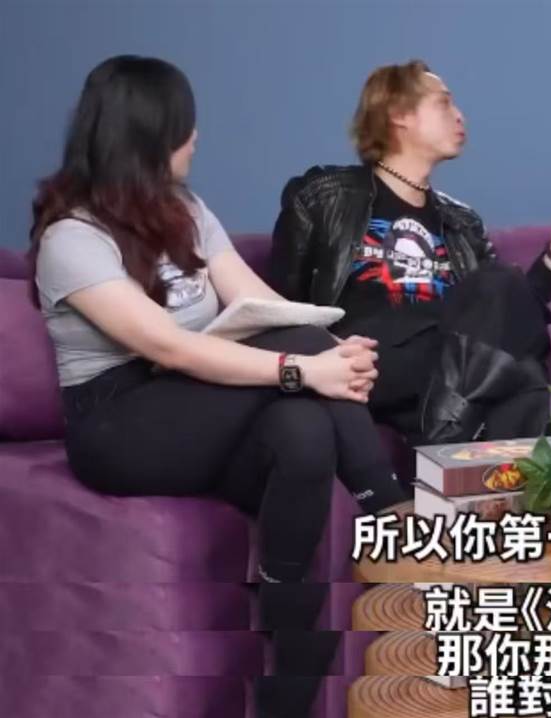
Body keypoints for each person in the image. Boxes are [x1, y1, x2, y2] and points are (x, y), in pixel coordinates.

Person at [30, 55, 410, 718]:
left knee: (303, 427)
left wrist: (336, 351)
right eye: (185, 125)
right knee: (303, 367)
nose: (197, 137)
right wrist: (306, 367)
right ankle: (394, 521)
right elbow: (167, 347)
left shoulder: (186, 209)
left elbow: (262, 306)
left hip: (199, 399)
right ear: (147, 136)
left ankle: (289, 653)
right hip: (120, 419)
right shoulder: (73, 237)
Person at [271, 61, 551, 450]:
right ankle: (458, 438)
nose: (460, 115)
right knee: (513, 352)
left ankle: (450, 443)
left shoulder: (461, 221)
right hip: (371, 358)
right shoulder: (326, 195)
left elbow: (508, 315)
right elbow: (281, 303)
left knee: (521, 368)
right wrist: (318, 355)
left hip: (446, 367)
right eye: (444, 103)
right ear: (398, 114)